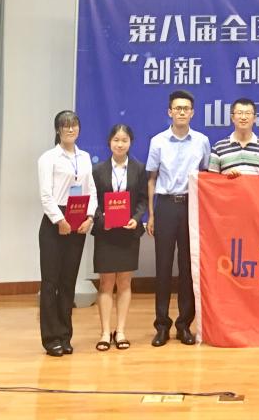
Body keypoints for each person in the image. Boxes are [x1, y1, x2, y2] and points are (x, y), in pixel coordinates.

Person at [146, 89, 211, 347]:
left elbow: (205, 176)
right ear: (169, 112)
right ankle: (162, 325)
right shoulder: (158, 141)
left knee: (188, 267)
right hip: (164, 206)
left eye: (186, 108)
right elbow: (151, 179)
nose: (182, 112)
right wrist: (151, 214)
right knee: (162, 267)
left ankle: (184, 324)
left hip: (191, 206)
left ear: (192, 113)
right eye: (177, 108)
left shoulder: (202, 141)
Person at [37, 110, 96, 357]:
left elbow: (91, 189)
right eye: (65, 126)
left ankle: (65, 335)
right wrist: (59, 220)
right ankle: (50, 338)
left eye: (74, 125)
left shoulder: (84, 157)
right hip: (55, 222)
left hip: (78, 218)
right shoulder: (48, 158)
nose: (70, 129)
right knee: (51, 282)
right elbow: (46, 195)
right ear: (58, 130)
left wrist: (90, 217)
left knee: (68, 281)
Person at [91, 123, 148, 352]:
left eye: (124, 140)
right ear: (109, 143)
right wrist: (102, 219)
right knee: (106, 283)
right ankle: (105, 332)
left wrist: (136, 218)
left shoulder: (139, 169)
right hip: (106, 233)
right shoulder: (98, 170)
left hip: (128, 232)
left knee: (124, 282)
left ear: (130, 143)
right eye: (116, 140)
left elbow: (143, 199)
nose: (120, 144)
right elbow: (93, 201)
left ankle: (121, 330)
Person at [209, 98, 259, 177]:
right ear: (232, 117)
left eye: (248, 113)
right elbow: (212, 180)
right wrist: (226, 178)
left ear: (255, 118)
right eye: (239, 113)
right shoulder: (218, 148)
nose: (243, 117)